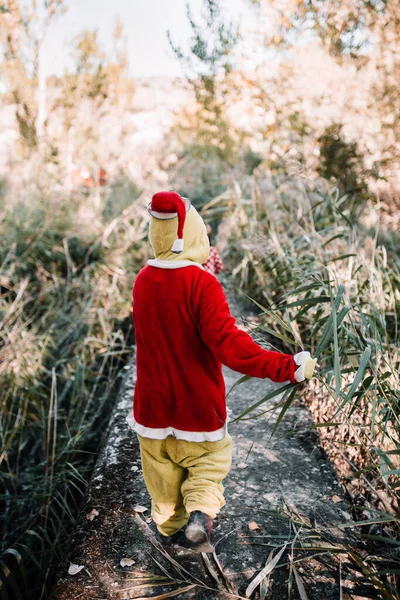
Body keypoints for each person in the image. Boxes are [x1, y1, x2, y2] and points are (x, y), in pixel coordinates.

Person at [127, 191, 316, 553]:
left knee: (160, 478)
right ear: (192, 235)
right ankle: (200, 514)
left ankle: (169, 530)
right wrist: (286, 367)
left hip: (150, 411)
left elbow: (164, 321)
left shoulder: (142, 280)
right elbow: (231, 346)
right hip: (197, 410)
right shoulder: (203, 284)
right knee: (208, 464)